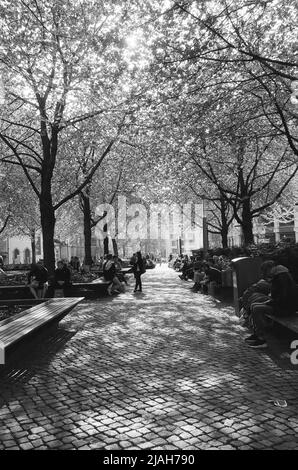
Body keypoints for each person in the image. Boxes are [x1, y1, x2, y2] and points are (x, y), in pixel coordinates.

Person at [245, 265, 298, 348]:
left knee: (256, 308)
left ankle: (261, 338)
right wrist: (267, 302)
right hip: (283, 308)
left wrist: (267, 302)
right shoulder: (288, 284)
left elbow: (279, 300)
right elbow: (277, 300)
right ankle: (257, 334)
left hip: (284, 310)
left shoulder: (283, 285)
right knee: (254, 305)